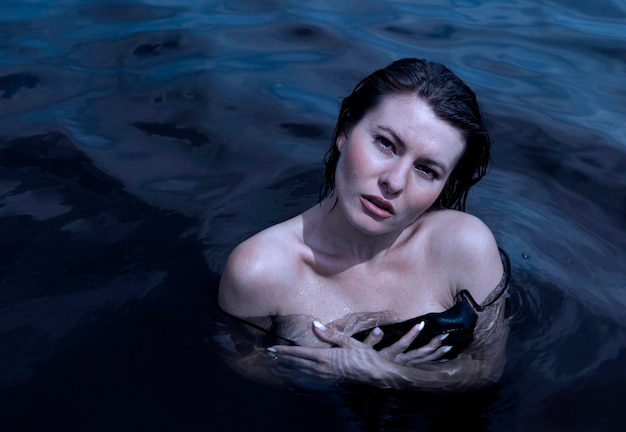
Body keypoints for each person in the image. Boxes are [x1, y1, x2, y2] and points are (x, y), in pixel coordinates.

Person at [217, 58, 509, 392]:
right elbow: (242, 367)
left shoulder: (464, 247)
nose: (395, 182)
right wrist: (319, 372)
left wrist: (393, 375)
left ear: (445, 185)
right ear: (345, 132)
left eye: (427, 169)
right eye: (386, 144)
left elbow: (487, 368)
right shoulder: (261, 270)